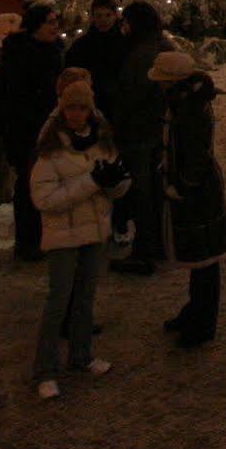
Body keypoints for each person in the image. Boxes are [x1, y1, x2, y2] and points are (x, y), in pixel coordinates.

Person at [28, 77, 130, 399]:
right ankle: (45, 370)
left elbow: (116, 185)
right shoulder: (51, 148)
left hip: (93, 231)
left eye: (82, 107)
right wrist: (92, 182)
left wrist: (116, 182)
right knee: (58, 300)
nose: (76, 113)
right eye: (71, 107)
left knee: (86, 297)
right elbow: (44, 200)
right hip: (63, 236)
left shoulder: (102, 140)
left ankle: (81, 356)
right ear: (62, 108)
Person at [151, 50, 226, 347]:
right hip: (192, 187)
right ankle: (194, 312)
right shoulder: (184, 102)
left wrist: (183, 185)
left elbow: (196, 155)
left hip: (197, 193)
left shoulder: (190, 109)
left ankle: (202, 324)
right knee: (200, 261)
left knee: (205, 261)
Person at [0, 4, 65, 261]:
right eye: (49, 22)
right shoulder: (22, 56)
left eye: (56, 20)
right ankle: (28, 241)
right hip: (27, 129)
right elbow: (17, 98)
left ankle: (45, 237)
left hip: (49, 126)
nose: (55, 26)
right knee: (29, 186)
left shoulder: (54, 51)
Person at [111, 1, 172, 275]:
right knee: (153, 191)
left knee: (142, 193)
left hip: (139, 132)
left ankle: (144, 250)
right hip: (157, 129)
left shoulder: (141, 55)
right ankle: (156, 244)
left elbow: (131, 97)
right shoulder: (163, 45)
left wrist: (117, 125)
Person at [64, 0, 127, 127]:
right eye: (98, 16)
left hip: (118, 104)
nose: (103, 20)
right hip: (89, 104)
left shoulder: (125, 44)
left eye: (107, 15)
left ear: (115, 16)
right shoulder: (82, 45)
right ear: (92, 17)